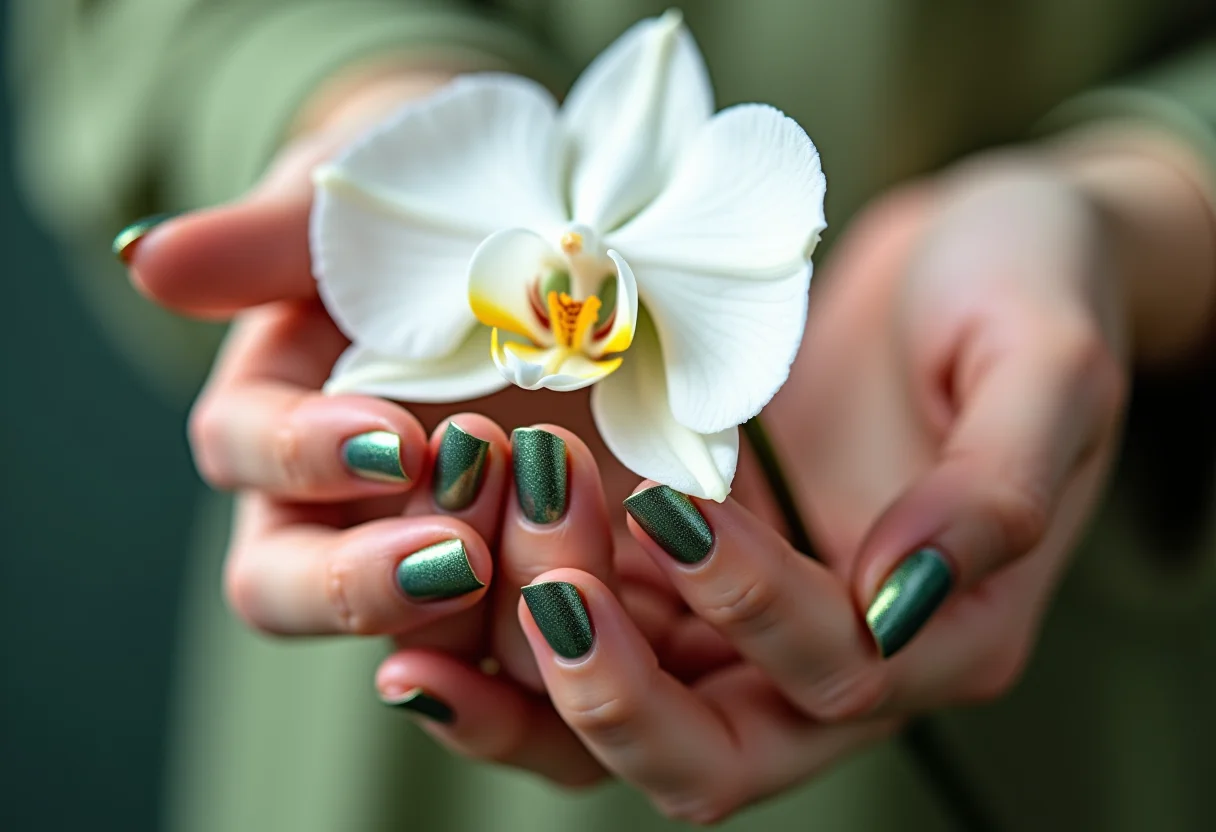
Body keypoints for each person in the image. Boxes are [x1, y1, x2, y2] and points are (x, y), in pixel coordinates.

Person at [13, 2, 1216, 829]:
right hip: (433, 572)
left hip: (1096, 624)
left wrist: (1145, 206)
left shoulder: (680, 406)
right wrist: (357, 93)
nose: (558, 293)